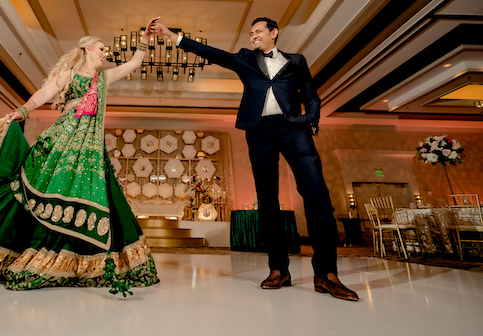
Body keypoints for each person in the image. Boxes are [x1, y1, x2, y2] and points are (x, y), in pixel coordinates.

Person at [0, 17, 161, 294]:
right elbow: (43, 94)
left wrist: (145, 38)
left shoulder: (103, 79)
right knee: (38, 193)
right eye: (101, 49)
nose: (105, 54)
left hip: (89, 150)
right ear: (87, 50)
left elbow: (134, 63)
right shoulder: (68, 75)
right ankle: (23, 249)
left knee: (93, 197)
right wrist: (23, 111)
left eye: (105, 51)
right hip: (62, 142)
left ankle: (84, 262)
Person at [153, 18, 358, 301]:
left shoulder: (297, 61)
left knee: (317, 193)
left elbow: (310, 94)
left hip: (294, 129)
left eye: (258, 31)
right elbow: (214, 53)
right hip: (260, 131)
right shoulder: (246, 59)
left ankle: (326, 274)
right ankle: (279, 269)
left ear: (274, 33)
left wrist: (310, 119)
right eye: (250, 33)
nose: (253, 37)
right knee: (267, 198)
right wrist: (173, 37)